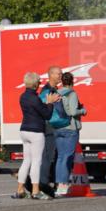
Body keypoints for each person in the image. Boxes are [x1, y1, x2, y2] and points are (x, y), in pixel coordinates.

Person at [14, 71, 60, 200]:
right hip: (36, 132)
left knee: (26, 161)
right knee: (36, 162)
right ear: (36, 84)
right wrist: (50, 102)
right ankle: (35, 191)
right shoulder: (35, 98)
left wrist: (45, 103)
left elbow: (37, 109)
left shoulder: (23, 96)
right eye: (39, 82)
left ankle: (20, 189)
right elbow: (47, 114)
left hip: (24, 130)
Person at [53, 71, 87, 197]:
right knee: (67, 157)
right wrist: (83, 110)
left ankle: (59, 185)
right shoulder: (72, 93)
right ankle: (63, 185)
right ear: (72, 81)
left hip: (58, 127)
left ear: (62, 81)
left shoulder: (57, 92)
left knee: (61, 157)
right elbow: (73, 111)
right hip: (70, 128)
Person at [38, 65, 63, 194]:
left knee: (54, 156)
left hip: (54, 127)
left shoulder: (54, 89)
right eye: (58, 74)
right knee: (47, 156)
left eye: (61, 73)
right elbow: (43, 110)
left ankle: (52, 183)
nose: (60, 76)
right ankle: (43, 184)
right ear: (51, 75)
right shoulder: (46, 91)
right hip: (49, 128)